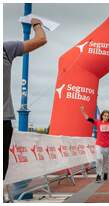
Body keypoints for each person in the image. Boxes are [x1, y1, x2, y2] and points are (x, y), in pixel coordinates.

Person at [3, 18, 47, 180]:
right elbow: (41, 39)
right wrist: (36, 25)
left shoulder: (6, 49)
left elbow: (41, 40)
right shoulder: (5, 49)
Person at [80, 106, 109, 182]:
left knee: (105, 161)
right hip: (99, 144)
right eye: (104, 115)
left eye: (107, 116)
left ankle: (105, 172)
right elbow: (88, 119)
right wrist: (83, 112)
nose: (105, 117)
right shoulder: (98, 122)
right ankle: (98, 175)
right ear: (102, 116)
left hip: (107, 146)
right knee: (99, 159)